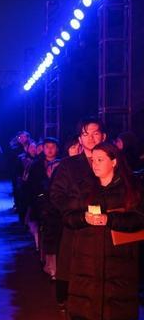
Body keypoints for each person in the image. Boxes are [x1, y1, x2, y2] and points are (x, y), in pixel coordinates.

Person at [63, 142, 143, 320]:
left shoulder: (131, 188)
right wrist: (83, 219)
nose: (95, 164)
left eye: (100, 159)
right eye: (93, 160)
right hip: (86, 258)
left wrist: (110, 220)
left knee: (116, 308)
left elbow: (139, 219)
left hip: (119, 260)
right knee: (86, 308)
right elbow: (68, 217)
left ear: (114, 161)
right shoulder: (84, 187)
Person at [49, 118, 106, 309]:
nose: (90, 138)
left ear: (104, 136)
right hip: (77, 229)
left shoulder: (116, 163)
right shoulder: (68, 165)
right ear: (79, 139)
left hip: (107, 230)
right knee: (77, 279)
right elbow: (56, 196)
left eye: (95, 133)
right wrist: (80, 208)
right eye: (85, 134)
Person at [25, 137, 61, 279]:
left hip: (57, 204)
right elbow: (30, 185)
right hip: (41, 203)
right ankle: (45, 259)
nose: (50, 149)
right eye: (47, 147)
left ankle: (53, 265)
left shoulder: (62, 163)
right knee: (43, 231)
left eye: (53, 146)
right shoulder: (36, 165)